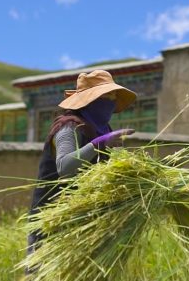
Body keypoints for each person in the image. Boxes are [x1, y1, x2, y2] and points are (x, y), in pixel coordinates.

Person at [26, 69, 137, 258]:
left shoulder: (101, 130)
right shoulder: (69, 127)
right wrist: (100, 144)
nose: (111, 102)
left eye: (113, 97)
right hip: (52, 221)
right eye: (106, 96)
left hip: (83, 220)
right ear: (90, 100)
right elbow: (65, 168)